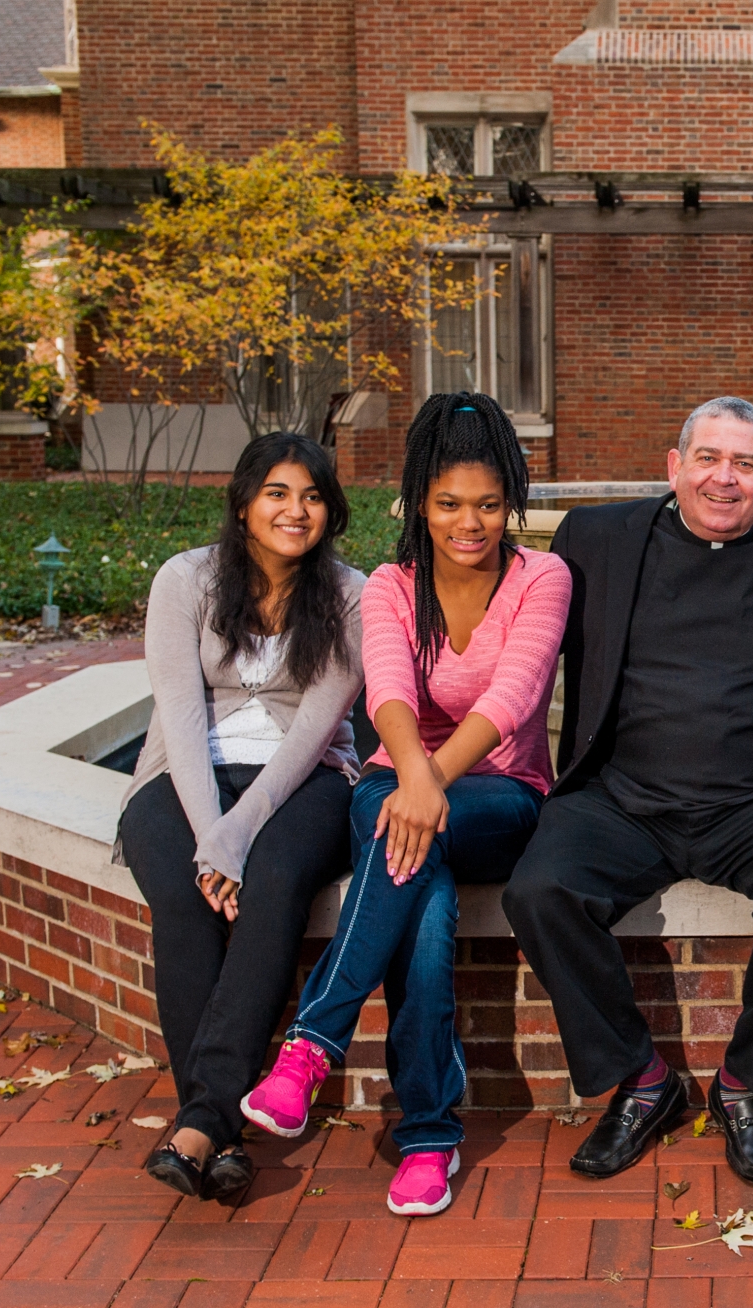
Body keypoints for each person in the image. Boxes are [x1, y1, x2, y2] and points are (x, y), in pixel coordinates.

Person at [501, 396, 753, 1186]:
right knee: (538, 889)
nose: (722, 479)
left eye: (744, 464)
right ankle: (640, 1080)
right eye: (707, 458)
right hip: (623, 799)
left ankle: (751, 1087)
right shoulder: (594, 540)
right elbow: (483, 594)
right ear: (674, 466)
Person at [239, 393, 568, 1217]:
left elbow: (514, 699)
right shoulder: (390, 585)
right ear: (419, 501)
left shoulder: (542, 577)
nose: (471, 524)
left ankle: (313, 1048)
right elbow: (385, 693)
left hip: (503, 795)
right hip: (397, 788)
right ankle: (427, 1134)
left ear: (511, 502)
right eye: (450, 504)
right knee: (419, 891)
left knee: (399, 836)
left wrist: (426, 786)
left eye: (489, 505)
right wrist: (414, 784)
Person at [116, 431, 365, 1201]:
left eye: (313, 495)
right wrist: (208, 832)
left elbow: (317, 728)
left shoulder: (353, 594)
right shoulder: (184, 579)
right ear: (244, 501)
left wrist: (237, 833)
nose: (297, 510)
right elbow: (180, 718)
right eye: (278, 493)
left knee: (274, 878)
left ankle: (201, 1120)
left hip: (304, 778)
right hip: (183, 777)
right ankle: (219, 1127)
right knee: (183, 895)